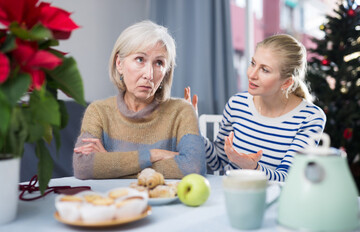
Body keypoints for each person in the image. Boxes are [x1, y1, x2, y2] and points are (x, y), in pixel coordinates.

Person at [73, 20, 206, 180]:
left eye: (159, 63)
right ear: (119, 64)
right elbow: (83, 166)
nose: (149, 74)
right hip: (114, 202)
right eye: (140, 59)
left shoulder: (182, 111)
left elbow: (194, 167)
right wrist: (154, 155)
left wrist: (110, 165)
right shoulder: (98, 112)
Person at [185, 34, 326, 181]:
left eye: (265, 70)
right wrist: (194, 127)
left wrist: (252, 167)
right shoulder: (236, 104)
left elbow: (288, 179)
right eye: (253, 63)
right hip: (232, 195)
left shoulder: (310, 117)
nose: (251, 75)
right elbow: (217, 162)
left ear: (286, 82)